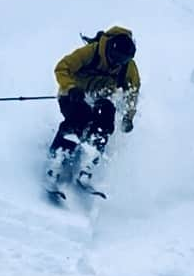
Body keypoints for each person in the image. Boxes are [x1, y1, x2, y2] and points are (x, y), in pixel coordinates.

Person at [46, 26, 140, 191]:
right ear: (111, 48)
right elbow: (62, 67)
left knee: (106, 119)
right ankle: (57, 160)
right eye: (115, 58)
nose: (117, 63)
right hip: (74, 94)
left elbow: (133, 92)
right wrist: (70, 87)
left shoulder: (128, 66)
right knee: (79, 117)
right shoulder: (92, 52)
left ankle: (88, 164)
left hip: (100, 98)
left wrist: (128, 117)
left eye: (122, 61)